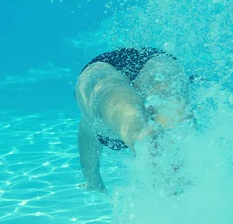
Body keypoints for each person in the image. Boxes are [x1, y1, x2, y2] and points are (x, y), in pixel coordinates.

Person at [74, 47, 193, 193]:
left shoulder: (91, 124)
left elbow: (88, 159)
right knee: (176, 124)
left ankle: (142, 136)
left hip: (99, 70)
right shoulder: (90, 125)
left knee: (108, 92)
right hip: (155, 59)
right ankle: (172, 151)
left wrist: (94, 183)